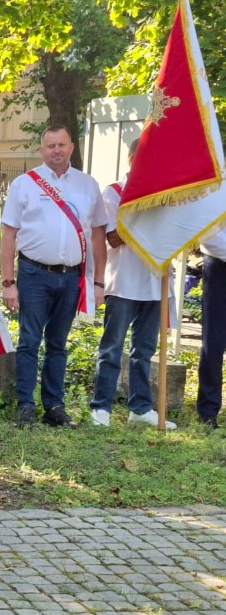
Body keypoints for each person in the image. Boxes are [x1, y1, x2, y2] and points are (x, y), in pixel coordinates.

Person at [0, 125, 108, 428]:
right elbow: (8, 236)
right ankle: (25, 404)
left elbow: (98, 237)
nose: (56, 151)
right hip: (34, 274)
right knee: (29, 341)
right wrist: (9, 283)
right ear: (41, 150)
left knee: (58, 344)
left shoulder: (88, 185)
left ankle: (54, 406)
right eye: (50, 146)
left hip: (71, 278)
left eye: (61, 145)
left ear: (72, 147)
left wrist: (98, 282)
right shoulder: (24, 184)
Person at [90, 139, 176, 430]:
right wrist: (145, 212)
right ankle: (101, 405)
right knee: (112, 347)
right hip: (123, 282)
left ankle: (140, 407)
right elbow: (113, 238)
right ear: (130, 159)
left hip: (154, 281)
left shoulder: (165, 195)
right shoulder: (114, 192)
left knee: (144, 350)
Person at [197, 228, 226, 428]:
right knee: (214, 341)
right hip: (219, 265)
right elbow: (206, 231)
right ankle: (208, 410)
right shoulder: (216, 194)